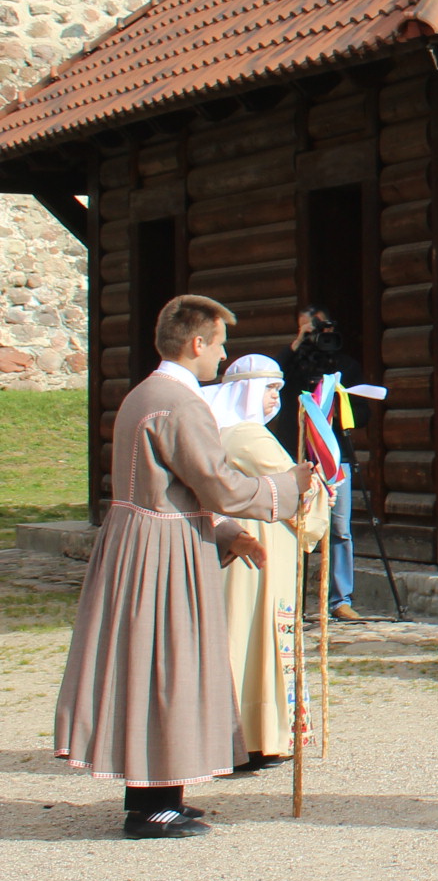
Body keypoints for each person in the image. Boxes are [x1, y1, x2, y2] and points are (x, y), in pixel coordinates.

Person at [55, 296, 310, 837]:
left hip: (147, 539)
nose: (221, 358)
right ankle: (150, 807)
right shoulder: (179, 402)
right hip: (160, 553)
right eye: (218, 344)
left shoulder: (144, 394)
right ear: (196, 343)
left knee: (156, 665)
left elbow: (167, 489)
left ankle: (159, 793)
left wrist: (223, 533)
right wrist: (288, 488)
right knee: (164, 665)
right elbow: (215, 483)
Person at [204, 352, 322, 772]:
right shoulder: (247, 436)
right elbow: (296, 491)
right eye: (269, 389)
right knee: (253, 639)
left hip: (242, 551)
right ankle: (253, 738)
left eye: (278, 390)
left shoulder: (220, 430)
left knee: (241, 637)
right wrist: (323, 490)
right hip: (256, 555)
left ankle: (239, 736)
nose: (275, 399)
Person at [278, 305, 360, 621]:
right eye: (306, 329)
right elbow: (276, 371)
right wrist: (298, 343)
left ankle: (340, 600)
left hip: (335, 459)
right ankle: (293, 598)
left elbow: (362, 416)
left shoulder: (345, 367)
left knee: (339, 528)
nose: (314, 335)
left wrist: (342, 407)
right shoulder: (292, 368)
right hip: (297, 458)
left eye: (318, 328)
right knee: (296, 527)